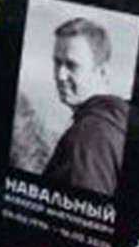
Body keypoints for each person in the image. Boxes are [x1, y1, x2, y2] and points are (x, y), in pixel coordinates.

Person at [42, 17, 129, 195]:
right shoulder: (115, 124)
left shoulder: (90, 135)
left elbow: (81, 215)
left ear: (102, 71)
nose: (60, 75)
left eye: (71, 65)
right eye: (57, 62)